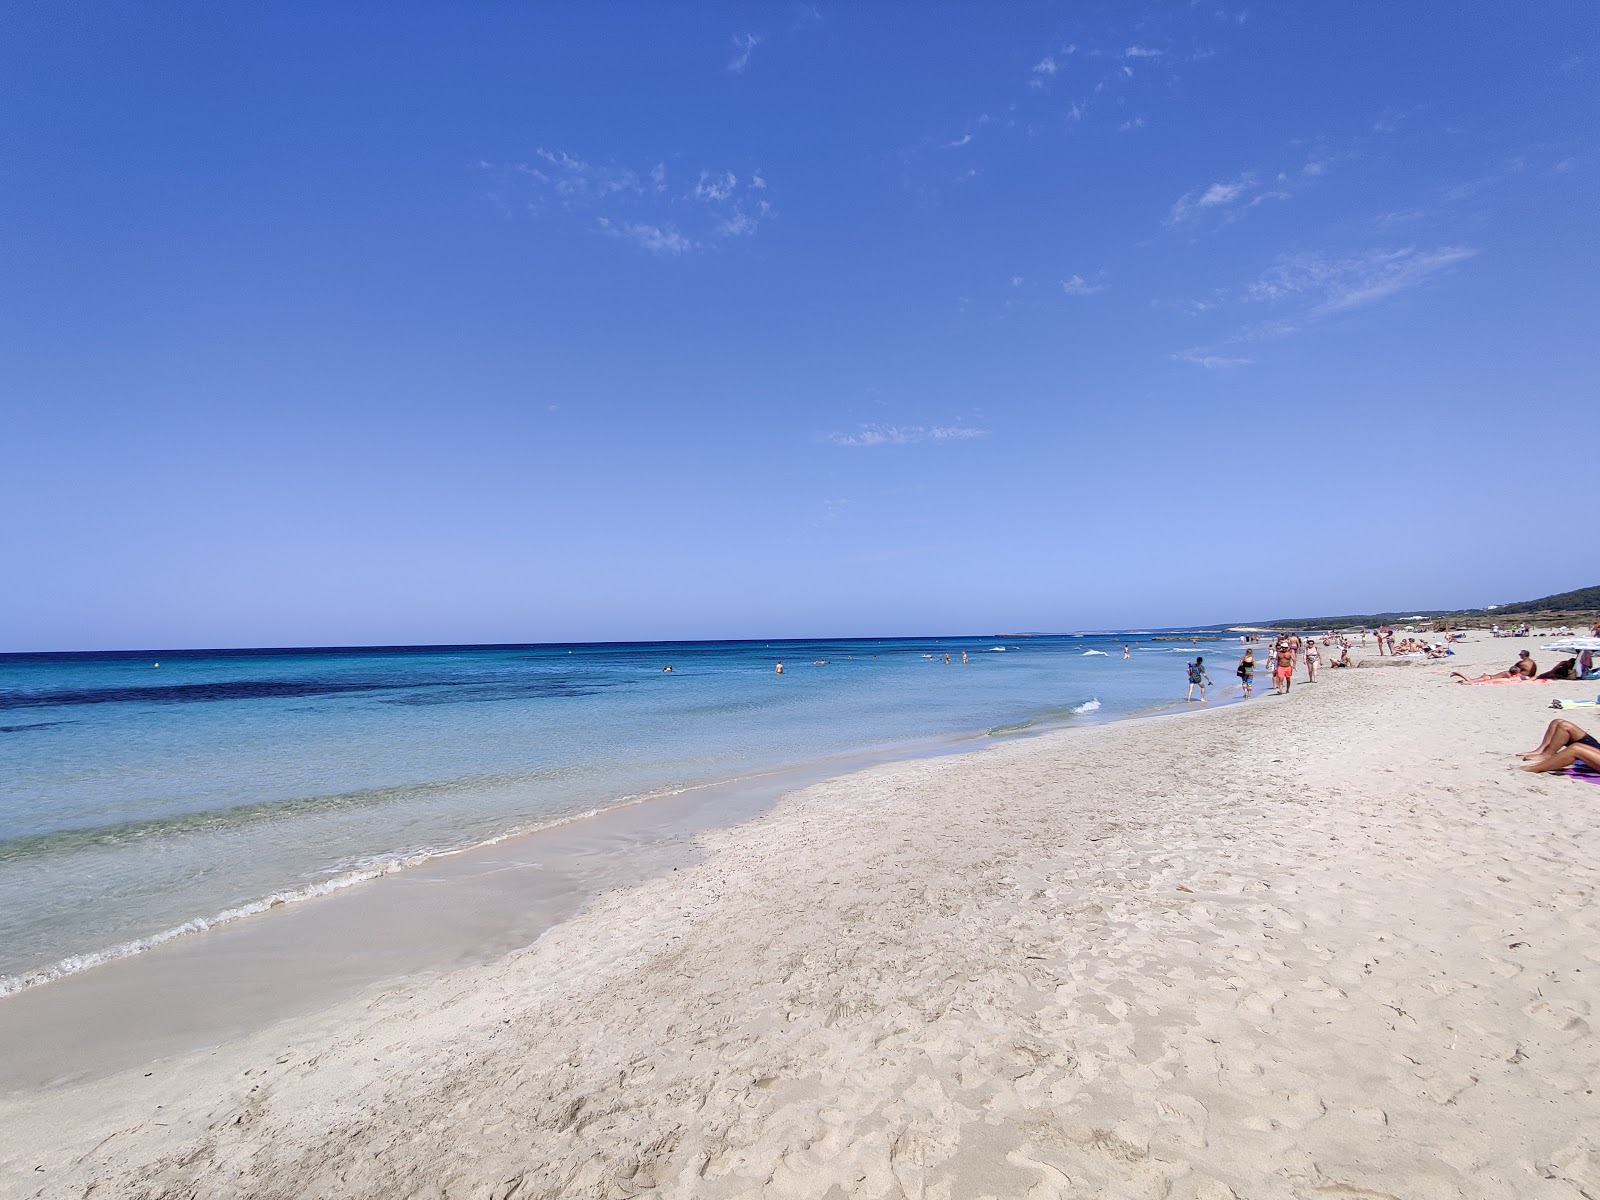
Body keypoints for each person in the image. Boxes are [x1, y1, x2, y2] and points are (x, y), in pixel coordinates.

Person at [1451, 650, 1537, 684]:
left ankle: (1461, 675)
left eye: (1520, 654)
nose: (1519, 656)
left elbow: (1513, 669)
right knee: (1500, 674)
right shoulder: (1532, 662)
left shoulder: (1522, 663)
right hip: (1525, 676)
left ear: (1523, 655)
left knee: (1492, 676)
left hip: (1520, 676)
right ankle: (1464, 677)